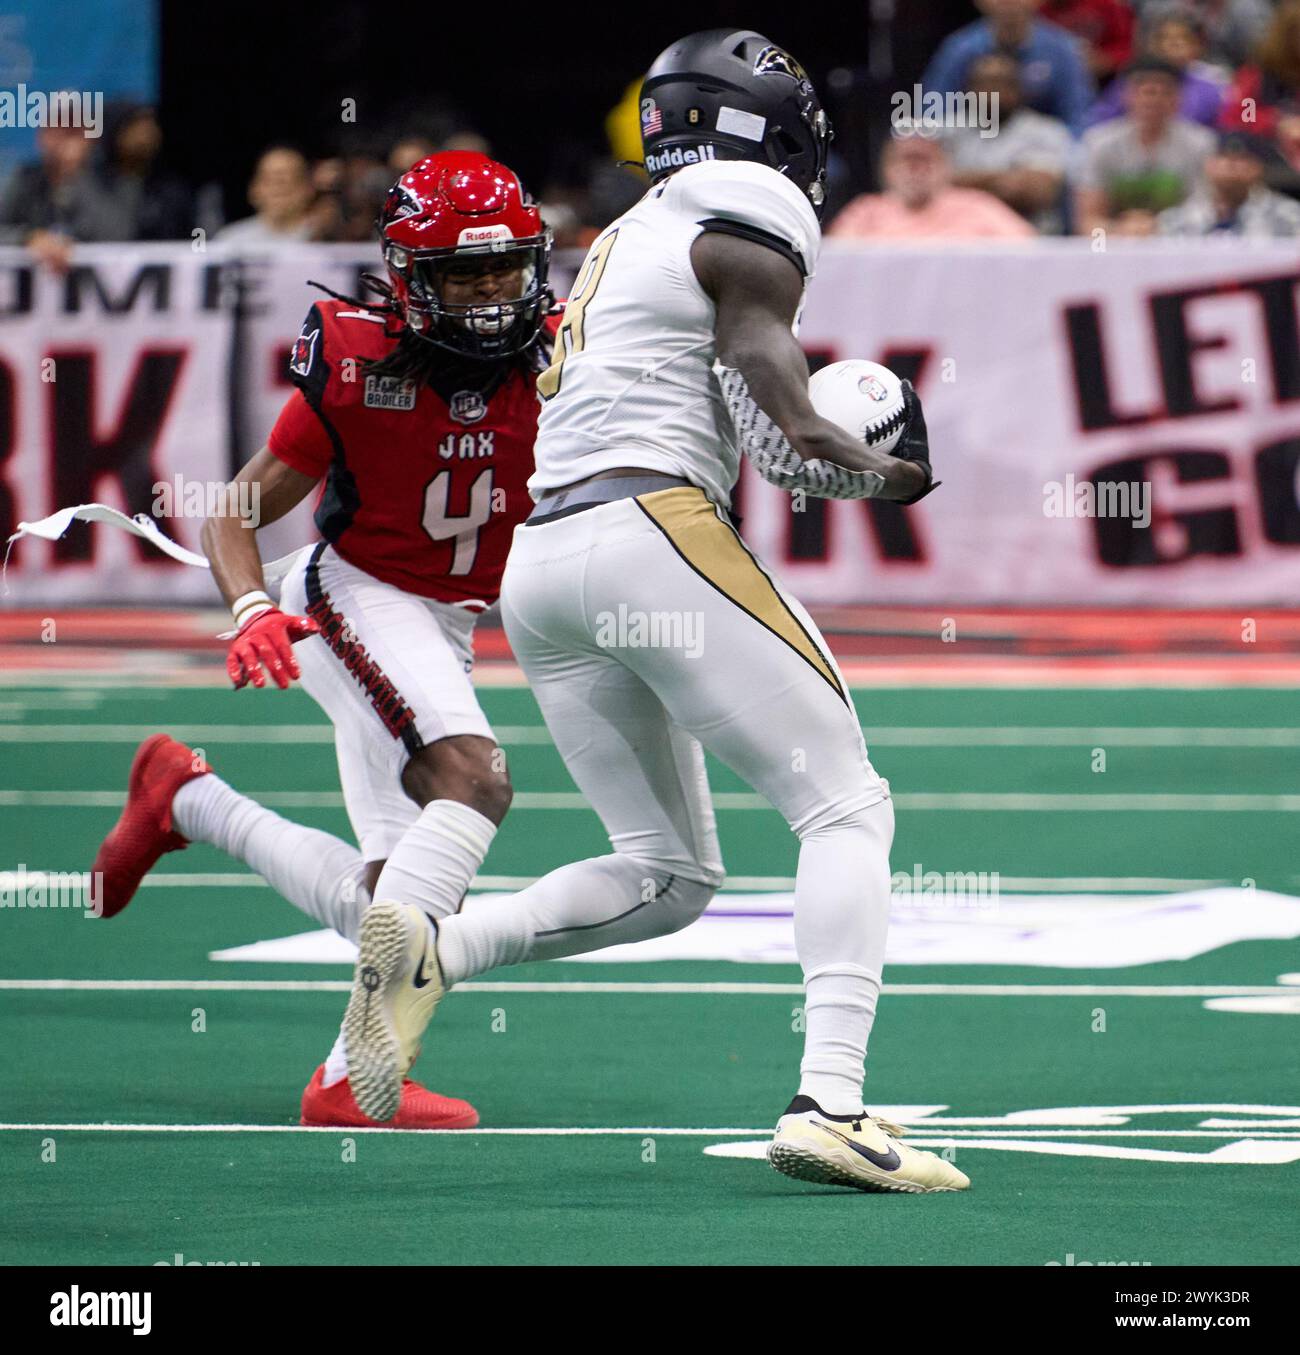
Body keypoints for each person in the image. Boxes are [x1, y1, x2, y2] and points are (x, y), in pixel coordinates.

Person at [336, 28, 968, 1195]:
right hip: (648, 530)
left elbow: (745, 409)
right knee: (846, 805)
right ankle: (832, 1101)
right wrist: (890, 471)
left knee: (669, 872)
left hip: (546, 560)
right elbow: (778, 403)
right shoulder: (747, 199)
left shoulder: (637, 230)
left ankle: (441, 944)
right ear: (764, 130)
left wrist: (811, 450)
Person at [90, 153, 558, 1130]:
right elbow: (236, 506)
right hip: (354, 594)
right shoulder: (361, 360)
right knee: (473, 781)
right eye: (459, 275)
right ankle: (344, 1079)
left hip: (448, 620)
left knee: (397, 899)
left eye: (502, 270)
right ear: (405, 276)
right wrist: (251, 606)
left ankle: (189, 797)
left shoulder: (570, 354)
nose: (485, 298)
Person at [1074, 55, 1214, 234]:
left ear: (1177, 98)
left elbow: (1205, 208)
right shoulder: (1098, 142)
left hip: (1179, 240)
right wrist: (1119, 232)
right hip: (1115, 241)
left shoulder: (1201, 143)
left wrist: (1159, 226)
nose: (1154, 100)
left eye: (1164, 92)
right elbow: (1088, 219)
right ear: (1127, 96)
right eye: (1147, 92)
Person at [945, 51, 1074, 232]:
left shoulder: (1048, 132)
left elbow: (1038, 193)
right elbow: (929, 187)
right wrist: (1006, 179)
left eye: (1000, 83)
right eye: (983, 83)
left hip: (1033, 239)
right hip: (959, 237)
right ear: (968, 90)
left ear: (1019, 89)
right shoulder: (946, 131)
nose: (991, 91)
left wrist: (962, 183)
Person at [830, 128, 1037, 239]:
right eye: (907, 160)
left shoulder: (979, 205)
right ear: (886, 169)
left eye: (925, 159)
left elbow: (1028, 253)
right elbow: (839, 264)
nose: (916, 170)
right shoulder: (865, 211)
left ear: (946, 166)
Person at [923, 0, 1095, 132]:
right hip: (972, 144)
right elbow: (934, 110)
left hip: (1043, 151)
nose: (1009, 2)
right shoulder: (959, 49)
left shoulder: (1062, 50)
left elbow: (1077, 115)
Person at [0, 121, 129, 268]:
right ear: (41, 137)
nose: (64, 139)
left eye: (74, 132)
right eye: (56, 129)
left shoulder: (108, 181)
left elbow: (120, 235)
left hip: (88, 283)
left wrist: (76, 175)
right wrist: (27, 238)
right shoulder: (24, 178)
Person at [1087, 4, 1227, 128]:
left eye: (1184, 39)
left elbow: (1220, 131)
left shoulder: (1211, 87)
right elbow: (1101, 121)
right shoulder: (1132, 80)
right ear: (1153, 45)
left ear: (1199, 46)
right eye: (1166, 39)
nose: (1174, 45)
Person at [1159, 128, 1300, 233]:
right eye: (1222, 157)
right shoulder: (1178, 218)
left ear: (1258, 168)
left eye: (1241, 158)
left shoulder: (1290, 216)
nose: (1230, 164)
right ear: (1208, 165)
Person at [95, 102, 194, 240]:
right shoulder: (90, 188)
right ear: (115, 131)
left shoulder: (172, 192)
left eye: (150, 127)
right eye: (135, 127)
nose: (145, 136)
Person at [214, 145, 318, 246]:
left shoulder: (324, 237)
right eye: (269, 180)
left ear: (308, 187)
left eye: (288, 179)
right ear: (254, 189)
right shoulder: (229, 241)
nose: (278, 189)